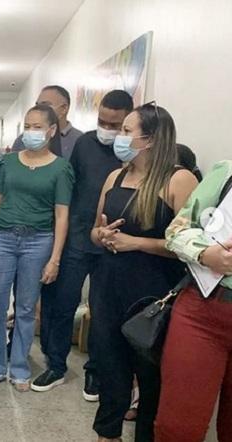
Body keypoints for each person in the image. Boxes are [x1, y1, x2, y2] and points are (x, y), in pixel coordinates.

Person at [89, 102, 197, 442]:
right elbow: (95, 230)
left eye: (126, 131)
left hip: (152, 290)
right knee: (109, 362)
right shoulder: (115, 176)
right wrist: (103, 236)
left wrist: (136, 243)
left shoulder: (179, 179)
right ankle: (108, 433)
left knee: (150, 373)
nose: (119, 137)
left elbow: (189, 245)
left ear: (149, 139)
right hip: (108, 282)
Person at [32, 90, 134, 400]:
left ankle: (96, 371)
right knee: (61, 303)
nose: (107, 128)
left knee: (103, 313)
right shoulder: (85, 143)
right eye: (102, 120)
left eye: (115, 124)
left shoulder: (134, 152)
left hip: (113, 243)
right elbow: (67, 188)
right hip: (77, 237)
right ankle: (56, 364)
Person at [0, 104, 74, 392]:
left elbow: (61, 215)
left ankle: (19, 367)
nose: (31, 132)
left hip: (38, 241)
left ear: (51, 130)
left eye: (37, 127)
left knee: (26, 309)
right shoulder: (7, 163)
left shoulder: (61, 168)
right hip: (3, 239)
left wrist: (55, 258)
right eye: (27, 126)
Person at [154, 160, 232, 441]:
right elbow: (177, 230)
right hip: (204, 311)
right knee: (178, 426)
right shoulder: (226, 173)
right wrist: (205, 253)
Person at [36, 85, 83, 160]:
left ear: (64, 108)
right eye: (37, 106)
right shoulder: (25, 139)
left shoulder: (81, 140)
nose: (38, 110)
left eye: (45, 105)